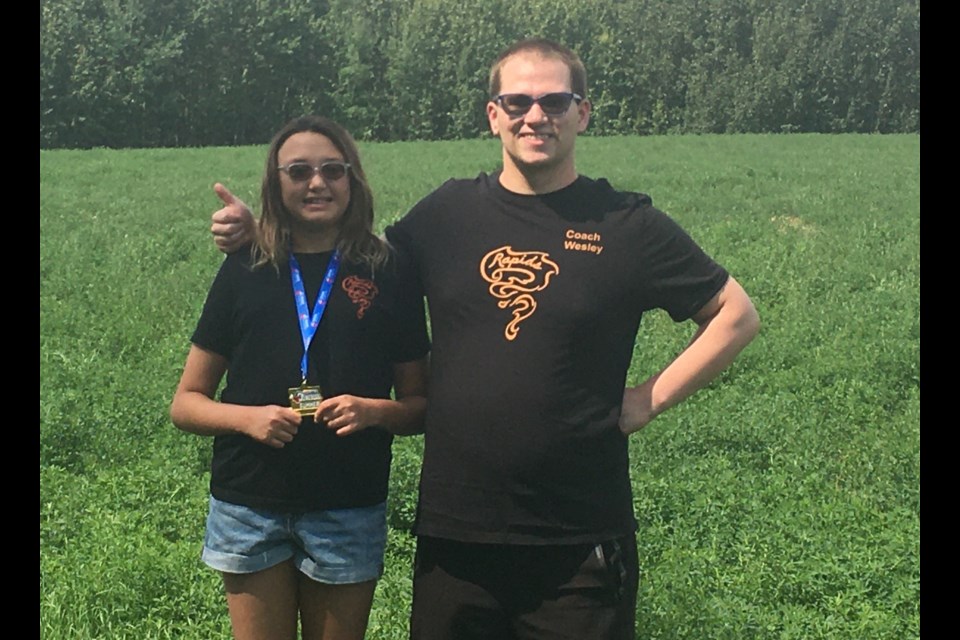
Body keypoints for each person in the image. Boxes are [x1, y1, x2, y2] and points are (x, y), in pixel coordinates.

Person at [211, 39, 759, 640]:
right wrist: (264, 230)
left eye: (555, 100)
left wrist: (645, 400)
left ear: (583, 112)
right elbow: (356, 262)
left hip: (577, 539)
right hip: (456, 537)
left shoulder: (626, 224)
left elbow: (735, 314)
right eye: (518, 100)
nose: (536, 116)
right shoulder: (447, 214)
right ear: (493, 114)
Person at [173, 115, 430, 640]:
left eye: (333, 170)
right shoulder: (248, 267)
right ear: (276, 184)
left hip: (347, 504)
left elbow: (420, 405)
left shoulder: (387, 270)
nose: (317, 183)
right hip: (249, 505)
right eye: (299, 171)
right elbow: (186, 403)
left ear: (352, 180)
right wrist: (247, 419)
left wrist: (375, 410)